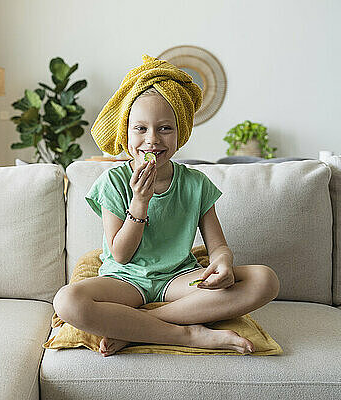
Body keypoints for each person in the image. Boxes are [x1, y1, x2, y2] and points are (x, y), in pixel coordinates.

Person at [52, 55, 280, 357]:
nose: (152, 140)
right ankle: (187, 335)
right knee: (67, 302)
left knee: (264, 280)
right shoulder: (113, 182)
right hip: (124, 280)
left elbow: (218, 247)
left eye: (164, 129)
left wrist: (223, 263)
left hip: (178, 279)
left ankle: (140, 326)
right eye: (140, 129)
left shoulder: (195, 184)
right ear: (126, 133)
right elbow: (120, 254)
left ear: (180, 133)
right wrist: (140, 202)